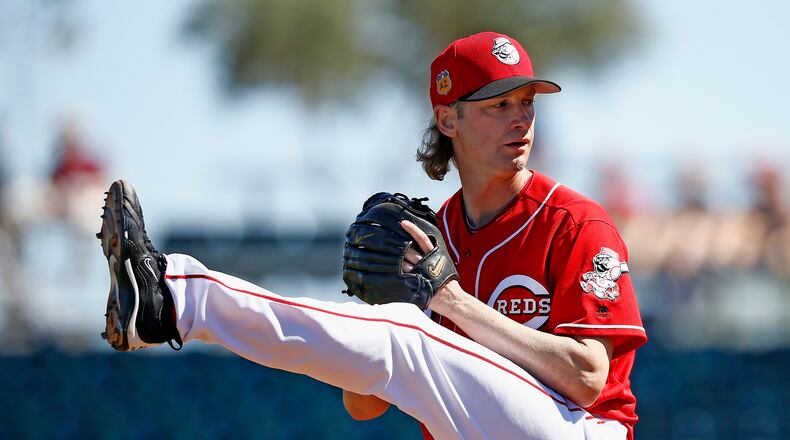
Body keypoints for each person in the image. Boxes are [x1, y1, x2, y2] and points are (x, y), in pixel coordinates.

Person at [98, 32, 645, 440]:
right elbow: (365, 406)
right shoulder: (434, 234)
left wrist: (448, 303)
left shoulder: (574, 223)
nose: (521, 119)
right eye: (498, 105)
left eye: (527, 102)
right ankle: (172, 302)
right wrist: (381, 308)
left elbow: (587, 377)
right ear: (448, 120)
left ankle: (175, 298)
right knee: (400, 330)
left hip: (581, 429)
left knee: (407, 331)